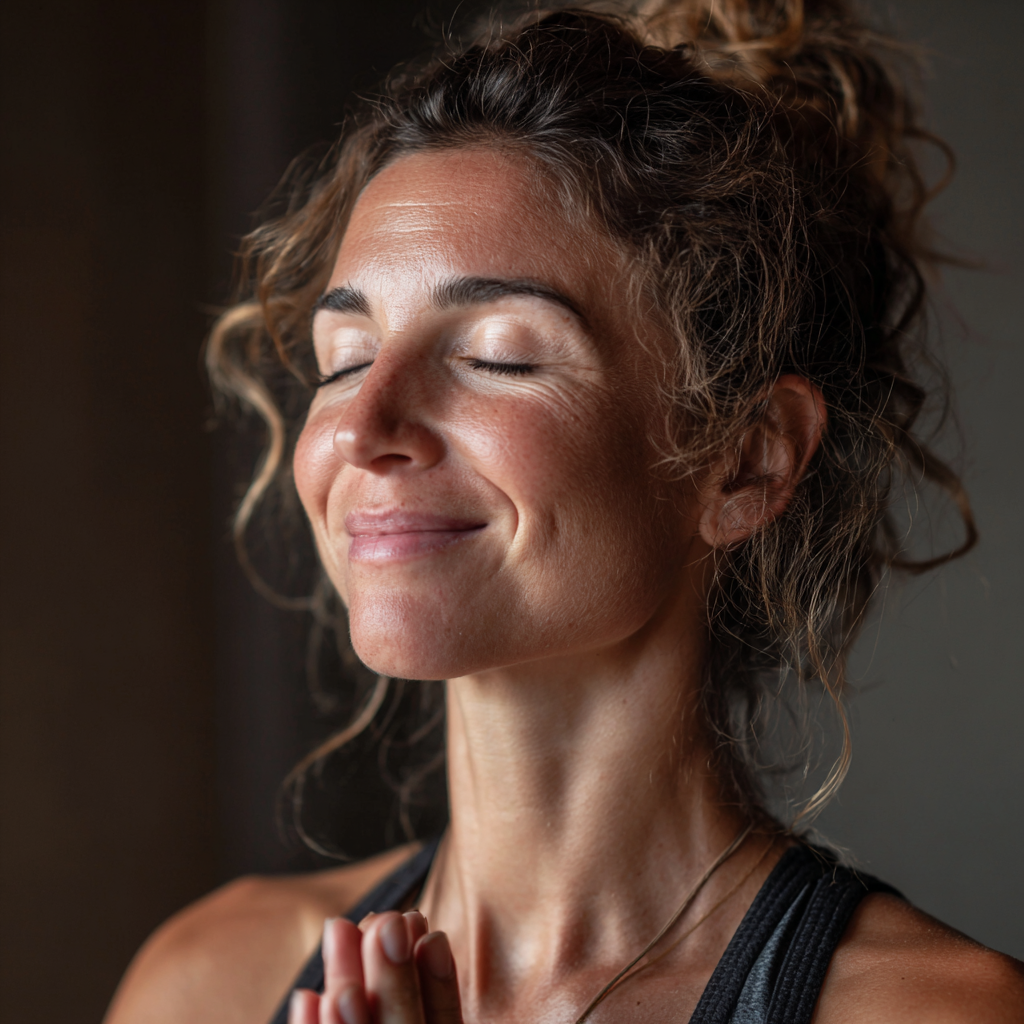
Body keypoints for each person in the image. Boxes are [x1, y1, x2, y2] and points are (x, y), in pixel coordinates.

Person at [104, 2, 1024, 1022]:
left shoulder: (937, 1010)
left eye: (495, 354)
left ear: (744, 461)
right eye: (345, 359)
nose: (363, 427)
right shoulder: (209, 984)